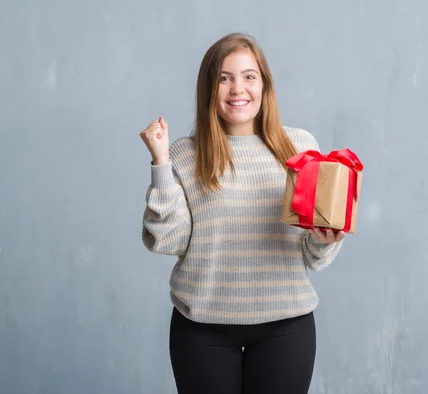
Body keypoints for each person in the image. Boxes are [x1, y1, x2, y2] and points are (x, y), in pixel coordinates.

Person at [139, 32, 345, 394]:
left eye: (249, 76)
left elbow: (313, 256)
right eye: (224, 77)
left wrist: (324, 239)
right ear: (210, 87)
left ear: (264, 85)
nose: (238, 89)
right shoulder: (186, 154)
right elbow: (168, 240)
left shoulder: (300, 147)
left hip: (286, 328)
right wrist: (160, 162)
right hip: (202, 330)